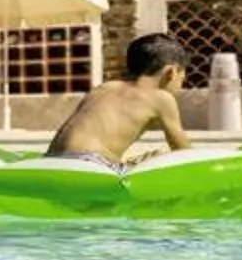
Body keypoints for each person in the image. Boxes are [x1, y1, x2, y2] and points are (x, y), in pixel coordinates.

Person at [45, 32, 193, 167]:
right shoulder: (161, 98)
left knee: (138, 161)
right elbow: (183, 151)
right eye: (182, 80)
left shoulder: (104, 88)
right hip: (90, 162)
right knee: (158, 159)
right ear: (171, 72)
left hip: (52, 160)